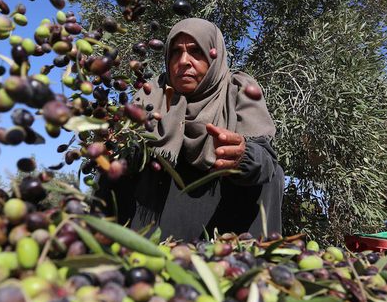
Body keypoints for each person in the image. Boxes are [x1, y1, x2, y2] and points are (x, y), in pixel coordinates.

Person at [95, 18, 284, 242]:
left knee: (271, 174)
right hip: (153, 227)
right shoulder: (152, 94)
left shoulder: (238, 90)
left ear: (214, 56)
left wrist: (243, 157)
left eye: (196, 51)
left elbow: (265, 159)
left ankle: (242, 260)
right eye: (176, 52)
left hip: (223, 227)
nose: (184, 61)